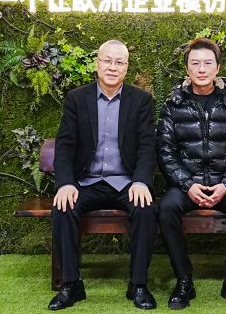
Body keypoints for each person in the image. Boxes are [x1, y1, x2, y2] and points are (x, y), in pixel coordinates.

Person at [48, 39, 157, 311]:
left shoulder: (141, 101)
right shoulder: (77, 99)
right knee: (63, 207)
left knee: (145, 208)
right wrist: (65, 183)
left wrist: (141, 181)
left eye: (119, 62)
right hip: (87, 181)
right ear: (97, 63)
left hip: (125, 182)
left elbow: (147, 145)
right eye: (107, 60)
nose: (112, 67)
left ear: (126, 67)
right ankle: (71, 284)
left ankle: (138, 284)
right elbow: (65, 145)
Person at [156, 38, 226, 309]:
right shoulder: (172, 106)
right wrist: (187, 185)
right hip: (186, 185)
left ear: (217, 68)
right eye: (195, 63)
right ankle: (184, 280)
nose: (201, 69)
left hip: (223, 184)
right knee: (166, 209)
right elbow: (166, 152)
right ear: (187, 69)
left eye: (207, 63)